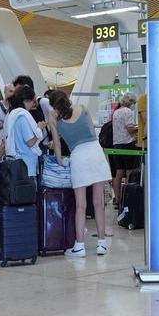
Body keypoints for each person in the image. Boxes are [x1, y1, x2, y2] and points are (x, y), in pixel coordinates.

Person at [47, 88, 112, 257]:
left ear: (53, 105)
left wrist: (60, 162)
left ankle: (80, 246)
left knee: (81, 205)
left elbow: (57, 144)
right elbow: (92, 132)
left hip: (78, 157)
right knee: (98, 203)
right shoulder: (82, 108)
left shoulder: (53, 118)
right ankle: (102, 243)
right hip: (96, 153)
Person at [1, 85, 45, 176]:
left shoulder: (11, 114)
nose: (33, 104)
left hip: (15, 163)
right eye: (33, 101)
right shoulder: (22, 117)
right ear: (27, 100)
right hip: (26, 165)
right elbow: (30, 142)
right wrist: (39, 129)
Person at [110, 94, 140, 207]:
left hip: (117, 145)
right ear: (131, 102)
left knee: (119, 172)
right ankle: (128, 199)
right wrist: (140, 127)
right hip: (128, 144)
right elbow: (130, 129)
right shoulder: (128, 112)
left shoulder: (116, 112)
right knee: (129, 172)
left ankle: (117, 199)